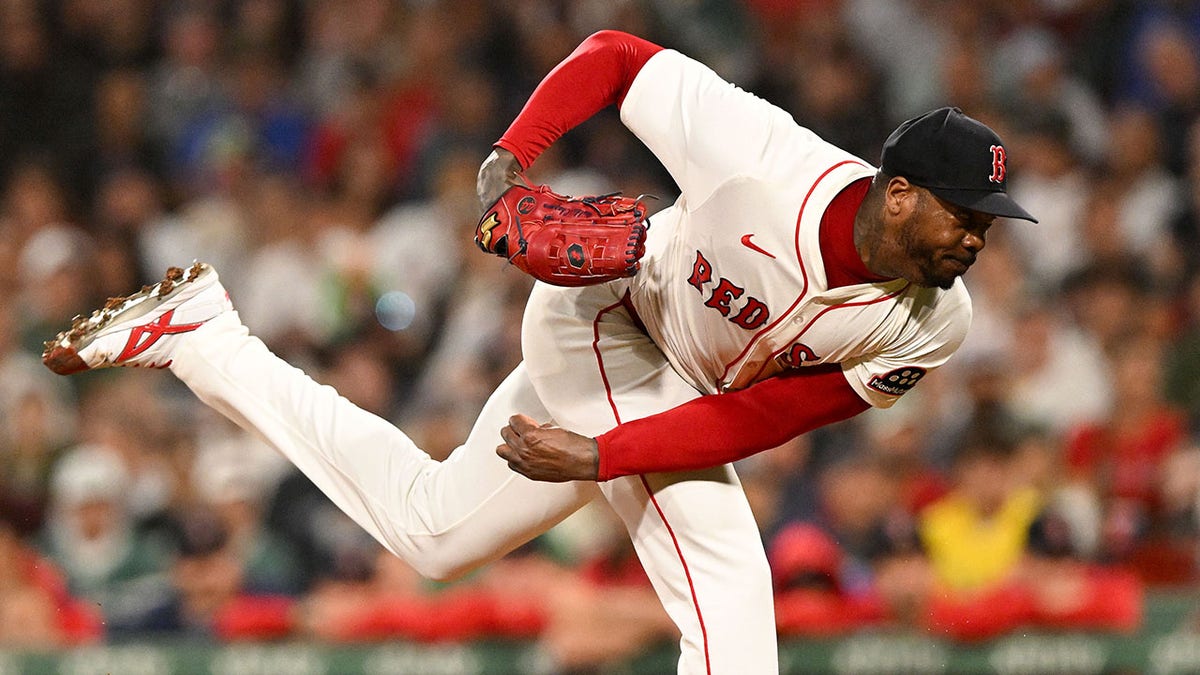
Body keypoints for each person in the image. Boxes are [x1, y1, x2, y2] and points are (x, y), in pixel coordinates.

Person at [42, 30, 1035, 674]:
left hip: (667, 394)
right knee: (730, 591)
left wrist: (603, 458)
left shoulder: (936, 320)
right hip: (605, 318)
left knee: (432, 534)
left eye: (989, 223)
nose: (978, 240)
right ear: (900, 193)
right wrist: (508, 161)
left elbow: (762, 418)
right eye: (967, 216)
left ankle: (204, 338)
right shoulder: (765, 162)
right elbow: (612, 57)